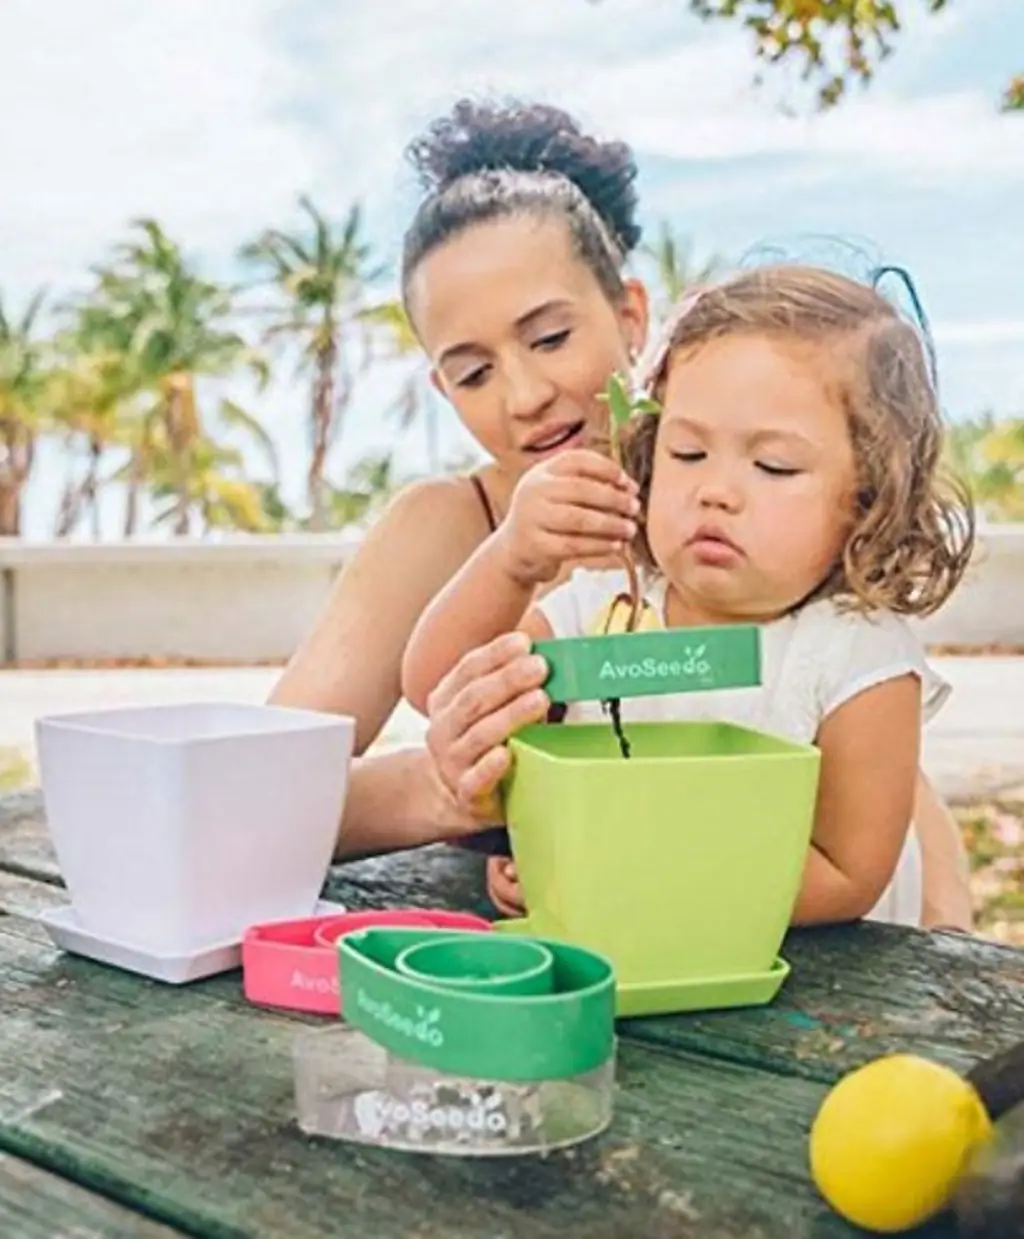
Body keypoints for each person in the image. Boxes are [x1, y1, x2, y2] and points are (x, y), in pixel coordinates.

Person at [268, 97, 974, 929]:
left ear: (631, 315)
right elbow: (256, 786)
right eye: (472, 371)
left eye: (550, 338)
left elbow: (878, 831)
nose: (525, 397)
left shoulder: (800, 580)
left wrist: (947, 926)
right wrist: (445, 785)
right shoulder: (464, 538)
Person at [401, 263, 976, 928]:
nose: (716, 490)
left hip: (820, 999)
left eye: (773, 466)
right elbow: (443, 685)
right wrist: (511, 559)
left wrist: (629, 886)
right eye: (687, 453)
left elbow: (848, 874)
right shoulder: (602, 610)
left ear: (868, 498)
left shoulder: (856, 655)